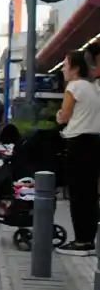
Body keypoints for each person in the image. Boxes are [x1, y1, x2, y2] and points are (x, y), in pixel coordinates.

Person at [56, 50, 100, 255]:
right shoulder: (94, 87)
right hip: (94, 142)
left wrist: (59, 115)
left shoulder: (74, 87)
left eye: (65, 64)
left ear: (75, 67)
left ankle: (81, 241)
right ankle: (89, 239)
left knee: (78, 193)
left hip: (77, 142)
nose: (63, 69)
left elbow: (64, 117)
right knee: (90, 193)